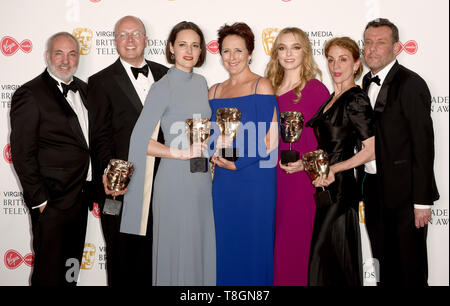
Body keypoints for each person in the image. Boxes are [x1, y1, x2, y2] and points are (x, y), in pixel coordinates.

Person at [120, 21, 216, 286]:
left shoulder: (201, 82)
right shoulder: (162, 86)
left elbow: (204, 130)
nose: (189, 50)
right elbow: (140, 141)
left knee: (198, 246)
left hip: (201, 179)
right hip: (174, 181)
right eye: (183, 44)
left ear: (201, 51)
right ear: (171, 48)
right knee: (178, 251)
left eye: (195, 45)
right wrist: (180, 153)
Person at [88, 16, 168, 286]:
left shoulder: (168, 75)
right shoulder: (99, 81)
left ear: (146, 40)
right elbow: (99, 136)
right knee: (124, 262)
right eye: (123, 34)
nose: (130, 40)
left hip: (163, 187)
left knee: (158, 262)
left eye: (136, 34)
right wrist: (111, 178)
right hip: (123, 188)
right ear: (115, 42)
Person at [10, 32, 94, 286]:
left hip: (80, 199)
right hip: (52, 203)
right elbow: (22, 152)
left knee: (71, 271)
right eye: (59, 53)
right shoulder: (30, 93)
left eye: (71, 54)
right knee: (49, 275)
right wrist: (40, 201)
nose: (65, 60)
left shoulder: (86, 89)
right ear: (48, 56)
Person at [361, 18, 439, 286]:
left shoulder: (411, 84)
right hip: (373, 189)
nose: (372, 49)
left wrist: (422, 202)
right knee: (384, 265)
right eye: (368, 43)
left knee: (410, 269)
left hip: (407, 196)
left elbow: (424, 144)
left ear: (396, 48)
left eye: (380, 43)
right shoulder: (364, 82)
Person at [209, 22, 279, 285]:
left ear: (250, 53)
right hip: (223, 184)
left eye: (238, 50)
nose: (232, 57)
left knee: (253, 247)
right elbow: (210, 137)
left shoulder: (261, 86)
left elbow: (271, 139)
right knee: (224, 245)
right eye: (226, 51)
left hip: (254, 181)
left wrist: (238, 164)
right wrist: (215, 157)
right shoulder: (214, 91)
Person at [306, 37, 375, 286]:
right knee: (328, 259)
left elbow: (371, 150)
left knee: (328, 257)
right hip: (325, 186)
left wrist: (335, 168)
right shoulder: (332, 99)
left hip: (342, 189)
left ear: (357, 64)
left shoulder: (356, 99)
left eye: (343, 59)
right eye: (331, 59)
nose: (336, 65)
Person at [265, 27, 329, 286]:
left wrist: (306, 163)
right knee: (270, 247)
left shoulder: (316, 90)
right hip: (267, 178)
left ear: (306, 51)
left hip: (298, 180)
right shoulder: (266, 87)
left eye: (295, 47)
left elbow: (329, 143)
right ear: (276, 53)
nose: (288, 53)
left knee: (293, 246)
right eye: (282, 47)